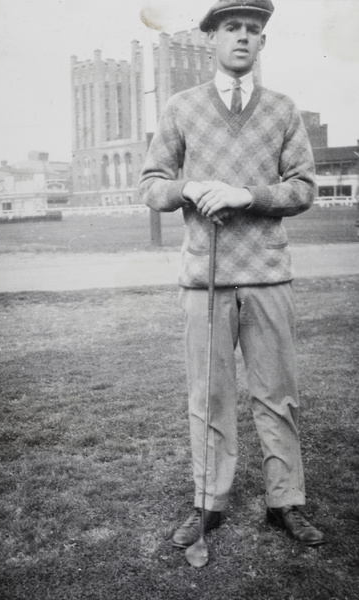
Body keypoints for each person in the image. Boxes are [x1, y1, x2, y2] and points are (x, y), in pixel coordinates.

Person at [138, 0, 324, 547]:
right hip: (206, 279)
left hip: (268, 277)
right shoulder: (181, 107)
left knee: (277, 395)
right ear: (211, 40)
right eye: (231, 28)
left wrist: (247, 194)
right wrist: (190, 187)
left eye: (253, 30)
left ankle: (284, 502)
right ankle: (208, 503)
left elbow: (305, 187)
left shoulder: (283, 110)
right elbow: (151, 184)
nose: (243, 37)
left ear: (262, 42)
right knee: (210, 395)